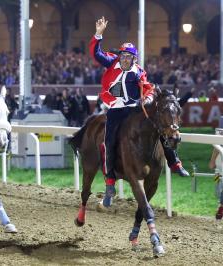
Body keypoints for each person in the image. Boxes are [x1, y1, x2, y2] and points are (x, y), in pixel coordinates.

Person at [91, 17, 157, 207]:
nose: (125, 59)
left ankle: (173, 161)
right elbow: (96, 54)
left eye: (128, 56)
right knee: (109, 141)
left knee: (157, 130)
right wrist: (98, 34)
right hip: (115, 111)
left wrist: (149, 98)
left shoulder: (139, 71)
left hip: (133, 110)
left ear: (134, 59)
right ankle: (110, 181)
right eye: (123, 56)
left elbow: (147, 87)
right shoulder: (111, 63)